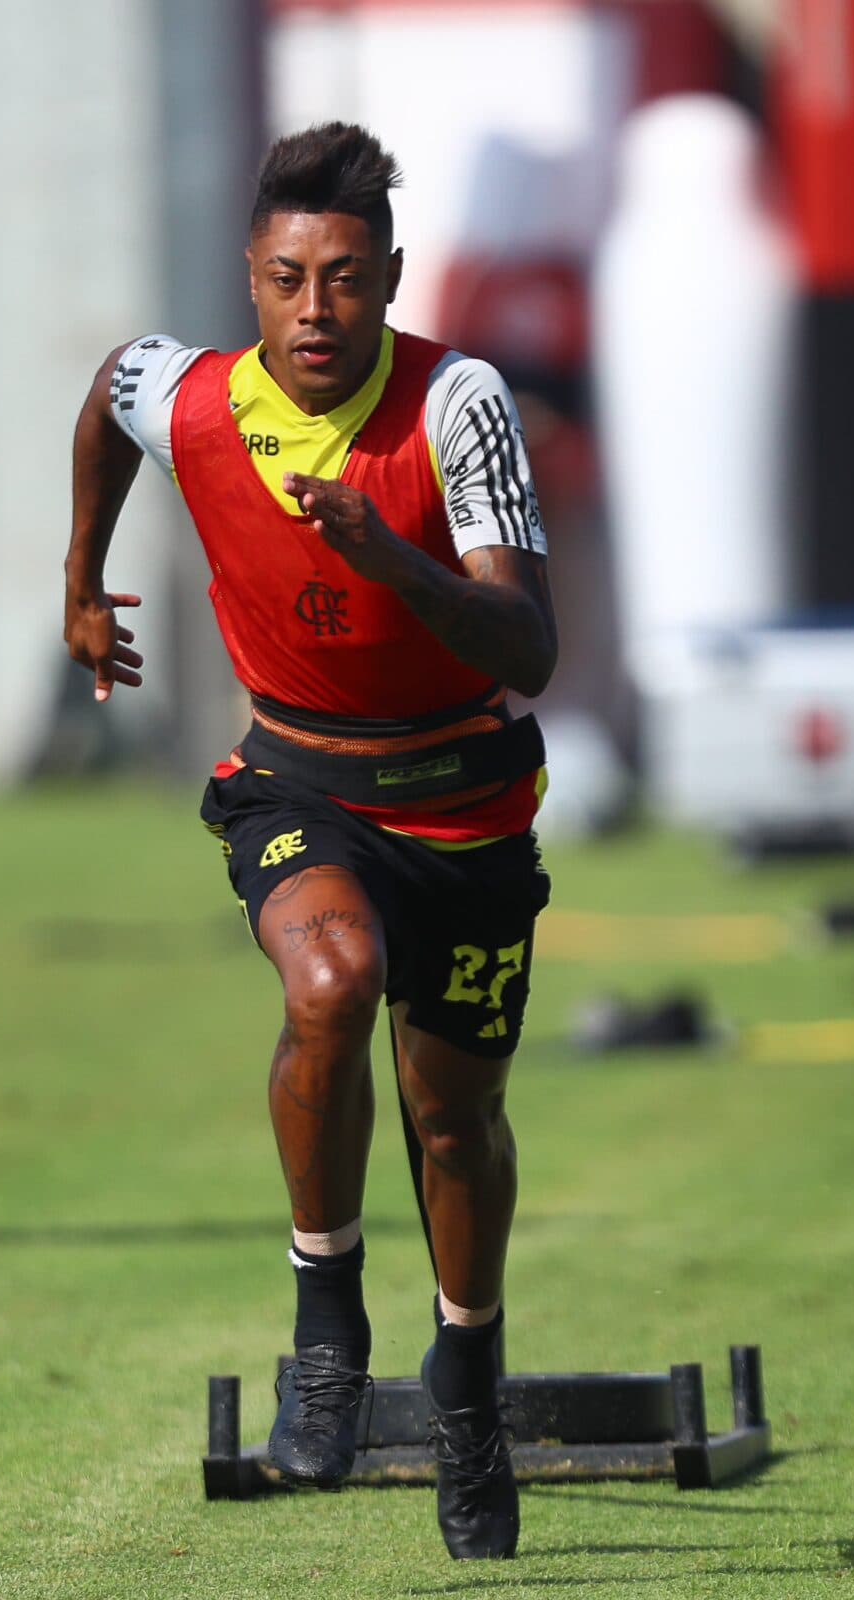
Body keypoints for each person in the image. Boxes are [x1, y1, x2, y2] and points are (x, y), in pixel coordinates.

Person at [62, 123, 555, 1561]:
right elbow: (107, 392)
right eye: (288, 280)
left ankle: (468, 1383)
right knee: (330, 983)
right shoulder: (194, 398)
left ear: (390, 278)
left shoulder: (456, 403)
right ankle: (326, 1329)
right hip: (301, 784)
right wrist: (81, 579)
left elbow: (530, 645)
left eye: (345, 278)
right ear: (252, 279)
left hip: (464, 803)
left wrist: (392, 561)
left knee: (455, 1121)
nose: (316, 310)